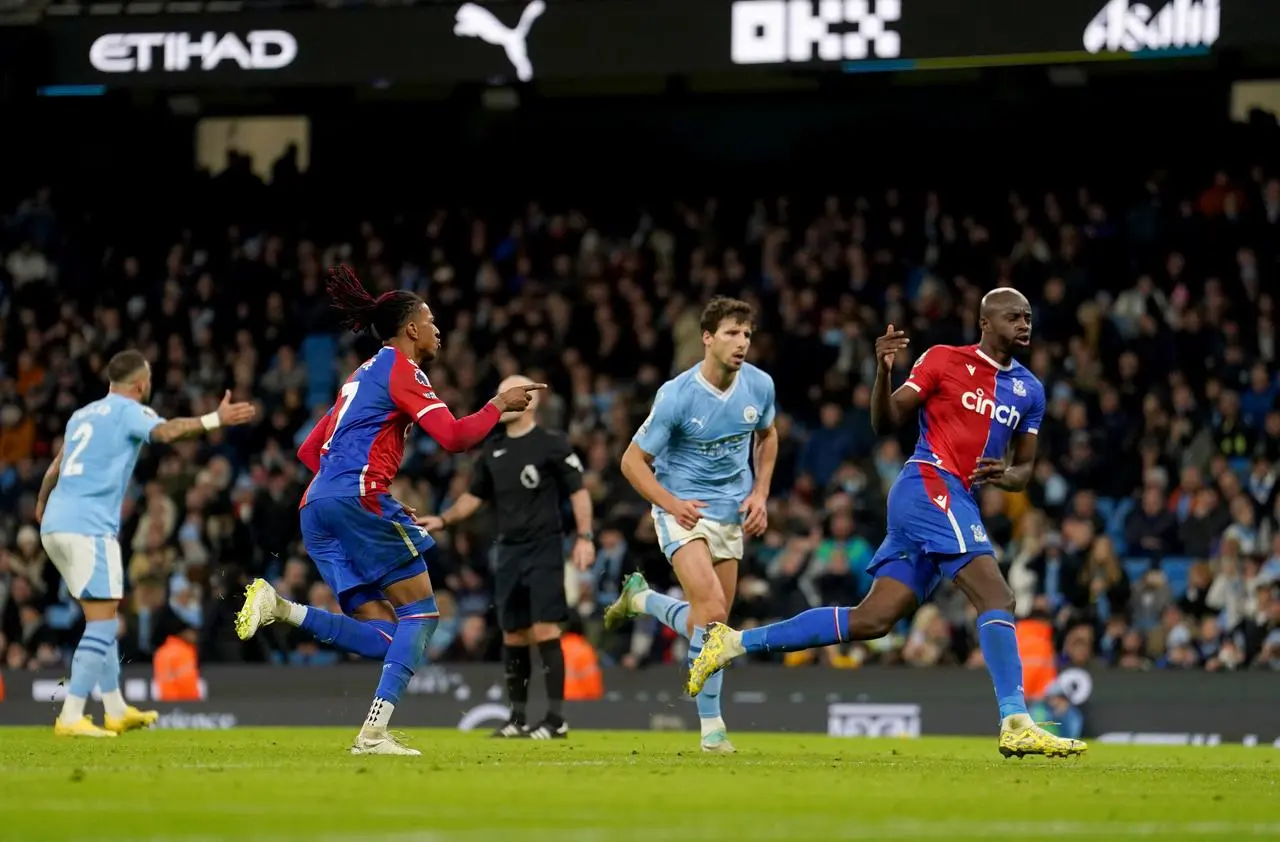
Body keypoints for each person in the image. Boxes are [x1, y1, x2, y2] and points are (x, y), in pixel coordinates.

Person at [687, 288, 1088, 759]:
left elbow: (1024, 471)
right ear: (986, 322)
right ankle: (1017, 719)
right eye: (1014, 317)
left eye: (1028, 317)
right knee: (997, 595)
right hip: (927, 483)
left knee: (872, 620)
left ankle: (731, 642)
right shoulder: (942, 360)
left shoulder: (1030, 390)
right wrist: (883, 372)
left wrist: (1006, 475)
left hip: (956, 497)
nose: (1025, 324)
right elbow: (887, 419)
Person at [233, 265, 543, 755]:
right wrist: (498, 404)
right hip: (355, 500)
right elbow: (455, 438)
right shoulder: (402, 368)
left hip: (316, 508)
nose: (438, 330)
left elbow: (310, 450)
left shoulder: (359, 376)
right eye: (432, 320)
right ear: (412, 328)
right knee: (421, 615)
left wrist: (353, 492)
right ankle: (373, 733)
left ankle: (283, 609)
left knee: (385, 634)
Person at [35, 349, 256, 737]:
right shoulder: (129, 411)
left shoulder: (80, 416)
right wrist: (214, 419)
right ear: (140, 383)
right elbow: (168, 432)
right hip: (89, 527)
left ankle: (116, 708)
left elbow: (55, 467)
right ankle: (70, 716)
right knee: (103, 626)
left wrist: (41, 506)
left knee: (100, 618)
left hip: (56, 524)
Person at [604, 296, 777, 754]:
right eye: (731, 333)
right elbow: (632, 461)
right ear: (707, 338)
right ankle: (712, 729)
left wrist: (760, 493)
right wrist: (670, 502)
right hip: (682, 512)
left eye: (746, 334)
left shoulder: (759, 386)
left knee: (713, 626)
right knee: (714, 611)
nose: (741, 343)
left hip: (729, 513)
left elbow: (769, 435)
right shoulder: (677, 395)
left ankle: (642, 599)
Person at [419, 374, 596, 740]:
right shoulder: (493, 449)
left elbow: (578, 492)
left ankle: (554, 719)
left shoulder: (551, 443)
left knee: (546, 629)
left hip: (545, 547)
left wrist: (585, 536)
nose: (502, 400)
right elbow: (475, 496)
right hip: (509, 552)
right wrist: (444, 518)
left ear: (529, 400)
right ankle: (517, 719)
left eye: (509, 393)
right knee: (513, 634)